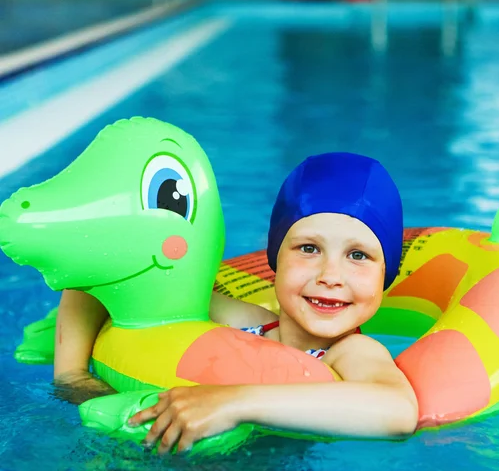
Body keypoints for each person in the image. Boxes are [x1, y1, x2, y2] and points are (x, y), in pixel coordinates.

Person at [55, 152, 418, 453]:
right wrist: (72, 376)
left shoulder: (351, 352)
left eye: (358, 255)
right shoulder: (247, 322)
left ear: (385, 275)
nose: (330, 275)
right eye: (309, 248)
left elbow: (398, 412)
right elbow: (115, 275)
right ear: (276, 259)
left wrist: (233, 403)